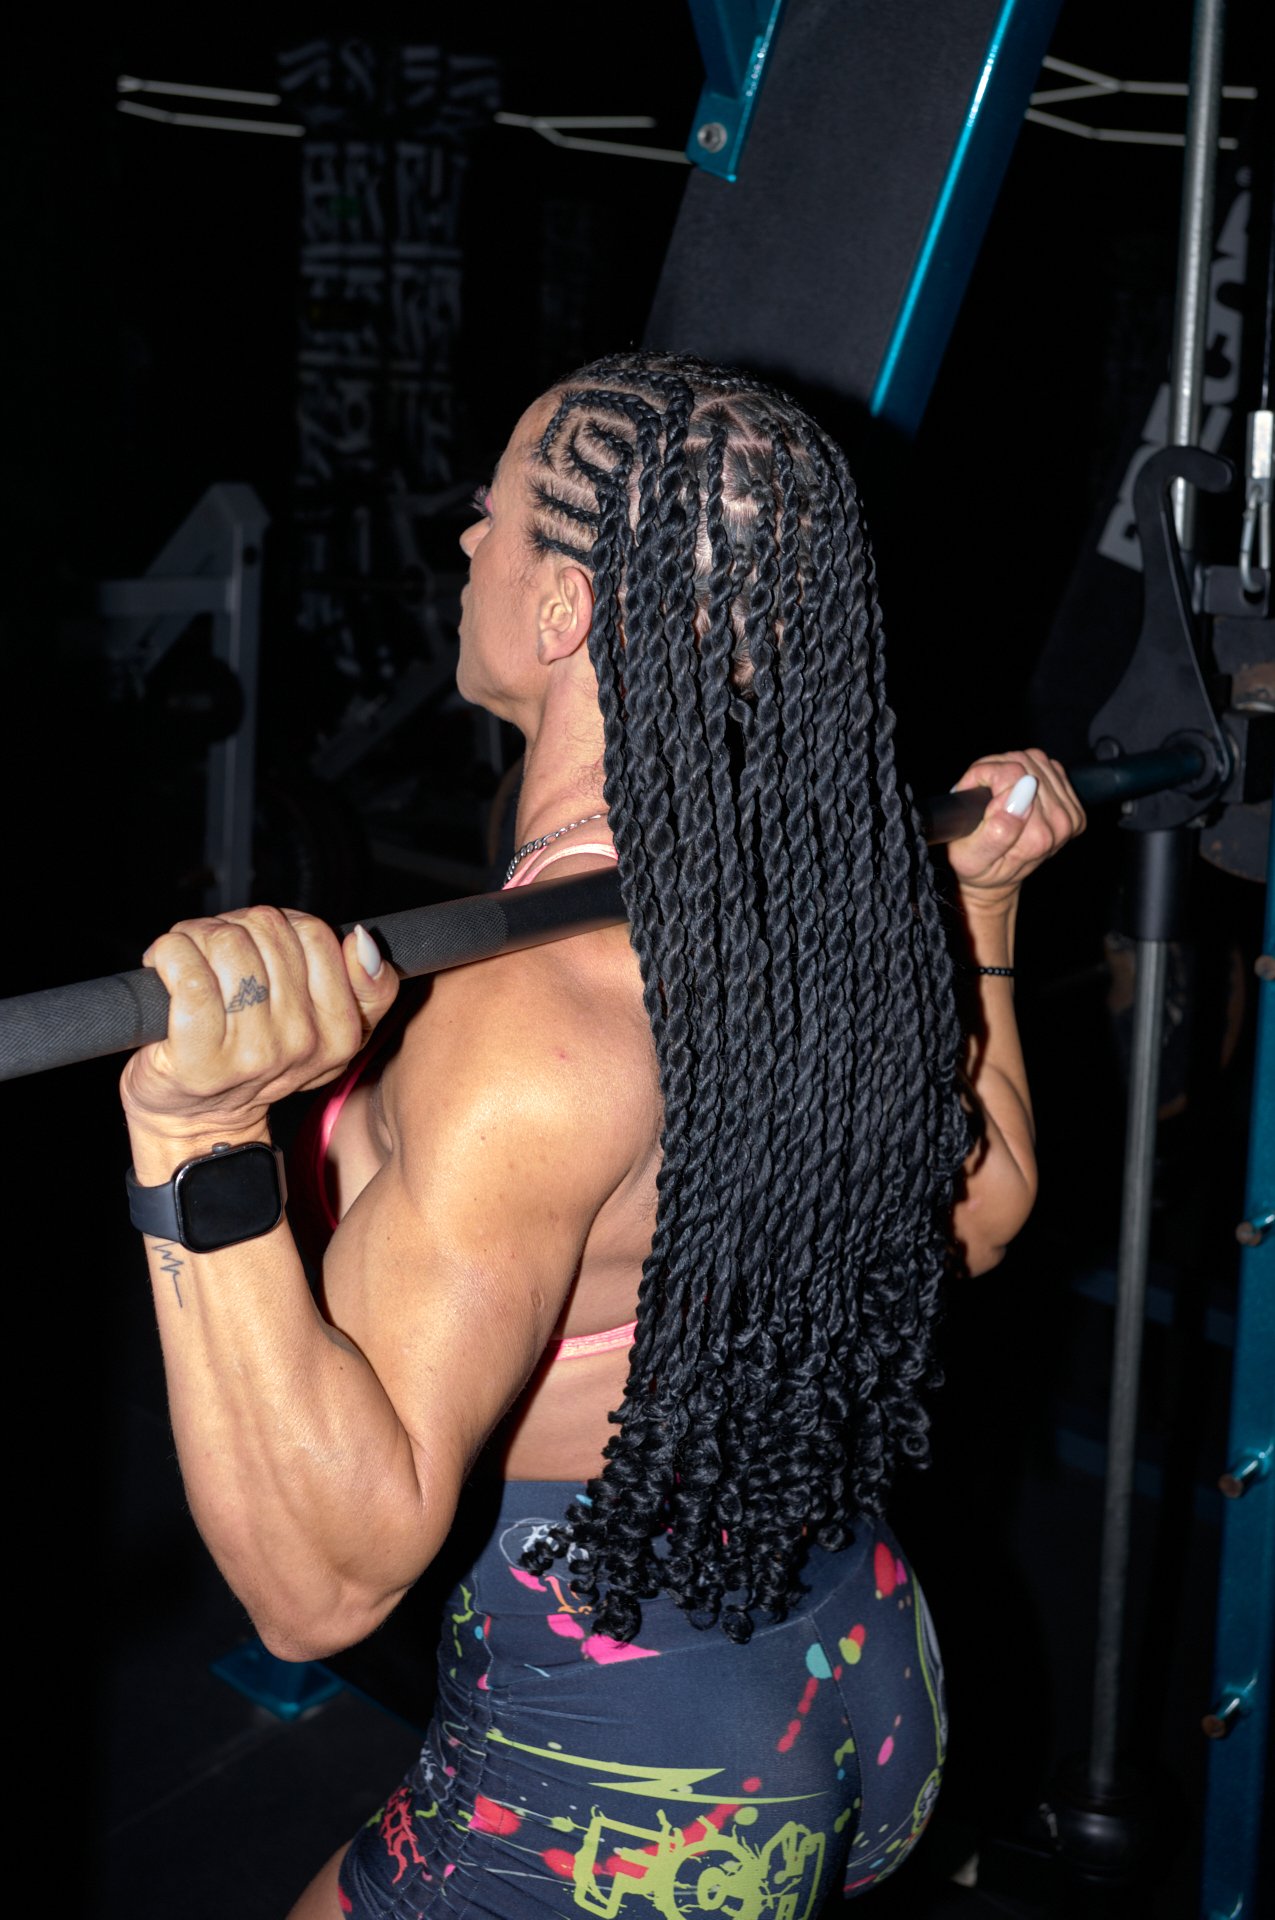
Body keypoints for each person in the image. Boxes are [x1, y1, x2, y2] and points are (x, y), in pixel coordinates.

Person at [119, 352, 1084, 1917]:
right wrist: (979, 904)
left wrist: (203, 1138)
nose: (464, 546)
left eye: (488, 516)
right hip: (873, 1668)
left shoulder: (522, 1026)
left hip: (646, 1782)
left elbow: (320, 1582)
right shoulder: (844, 901)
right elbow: (987, 1208)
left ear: (564, 609)